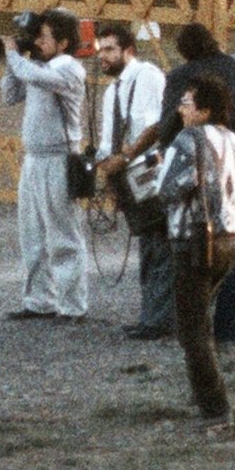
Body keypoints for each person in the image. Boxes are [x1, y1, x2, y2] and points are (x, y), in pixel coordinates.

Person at [95, 23, 235, 346]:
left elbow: (168, 170)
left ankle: (181, 332)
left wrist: (133, 162)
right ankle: (226, 334)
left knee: (178, 263)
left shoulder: (184, 99)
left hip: (196, 212)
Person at [156, 74, 235, 429]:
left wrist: (162, 166)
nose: (181, 108)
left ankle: (214, 407)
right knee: (203, 318)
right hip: (229, 237)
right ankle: (202, 390)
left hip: (194, 240)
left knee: (191, 328)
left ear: (205, 110)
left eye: (187, 103)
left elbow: (168, 189)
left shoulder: (187, 139)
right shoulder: (234, 141)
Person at [0, 9, 89, 322]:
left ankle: (72, 305)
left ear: (63, 43)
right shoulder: (36, 66)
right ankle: (39, 301)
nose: (37, 41)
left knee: (63, 235)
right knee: (33, 234)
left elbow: (37, 77)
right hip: (34, 157)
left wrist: (15, 55)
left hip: (59, 157)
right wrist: (13, 62)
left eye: (44, 37)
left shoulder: (68, 69)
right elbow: (9, 95)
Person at [92, 23, 171, 341]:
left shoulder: (147, 76)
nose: (103, 56)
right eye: (101, 50)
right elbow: (107, 138)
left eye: (110, 49)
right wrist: (107, 171)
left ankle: (159, 318)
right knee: (148, 245)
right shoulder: (112, 90)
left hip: (148, 173)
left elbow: (155, 125)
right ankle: (150, 315)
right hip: (126, 178)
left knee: (161, 244)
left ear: (128, 51)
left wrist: (124, 158)